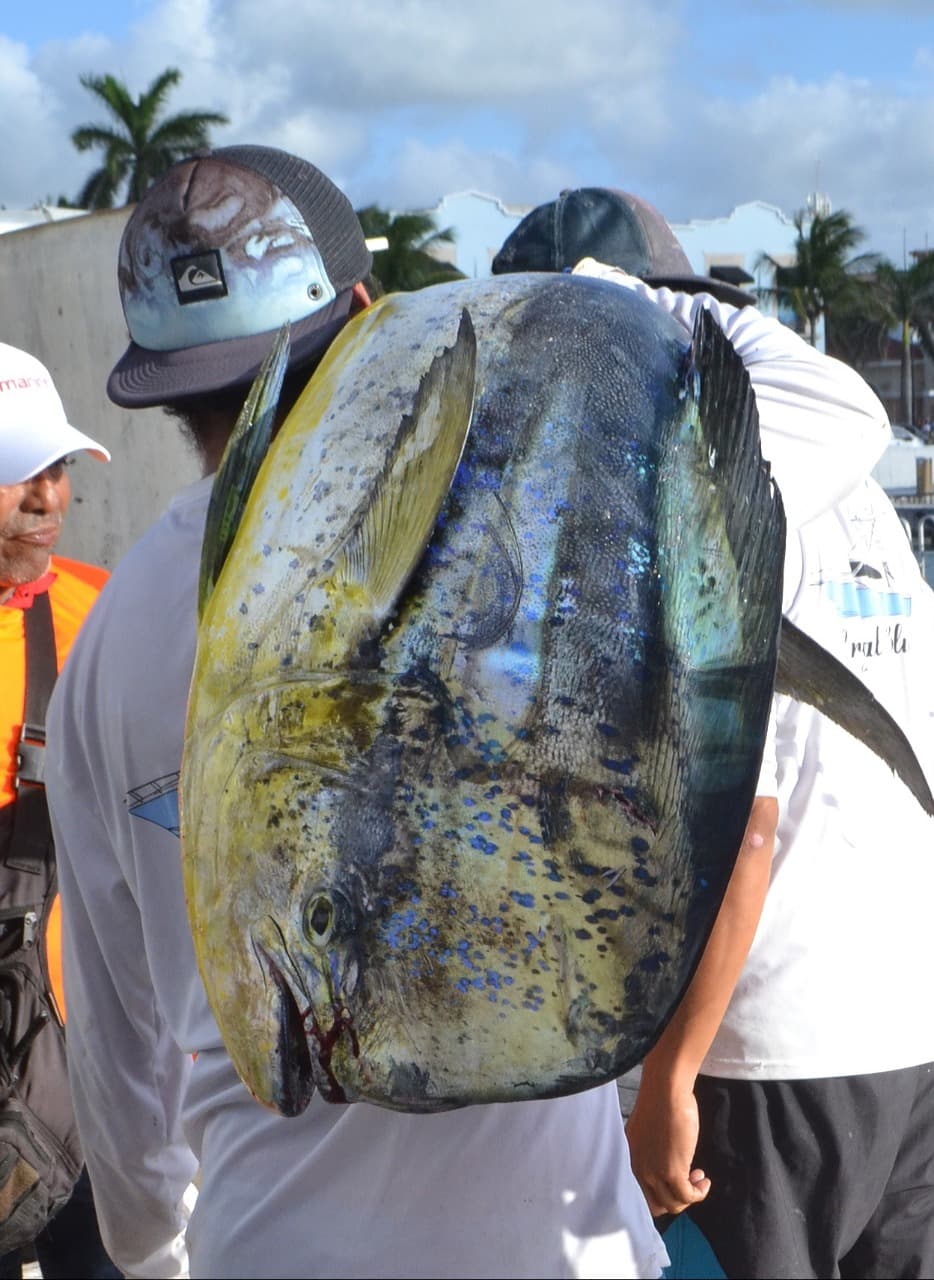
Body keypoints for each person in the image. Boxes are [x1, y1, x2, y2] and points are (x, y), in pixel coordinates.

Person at [43, 148, 669, 1279]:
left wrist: (153, 1247)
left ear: (163, 388)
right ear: (366, 311)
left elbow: (116, 1038)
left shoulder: (105, 641)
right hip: (558, 1244)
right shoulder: (512, 550)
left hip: (271, 1242)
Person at [495, 188, 934, 1278]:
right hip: (906, 1025)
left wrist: (671, 1077)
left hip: (768, 1049)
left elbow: (747, 826)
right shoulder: (865, 505)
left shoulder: (710, 502)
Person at [0, 342, 119, 1279]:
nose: (46, 497)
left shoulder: (104, 614)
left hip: (76, 1061)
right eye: (18, 472)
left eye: (58, 468)